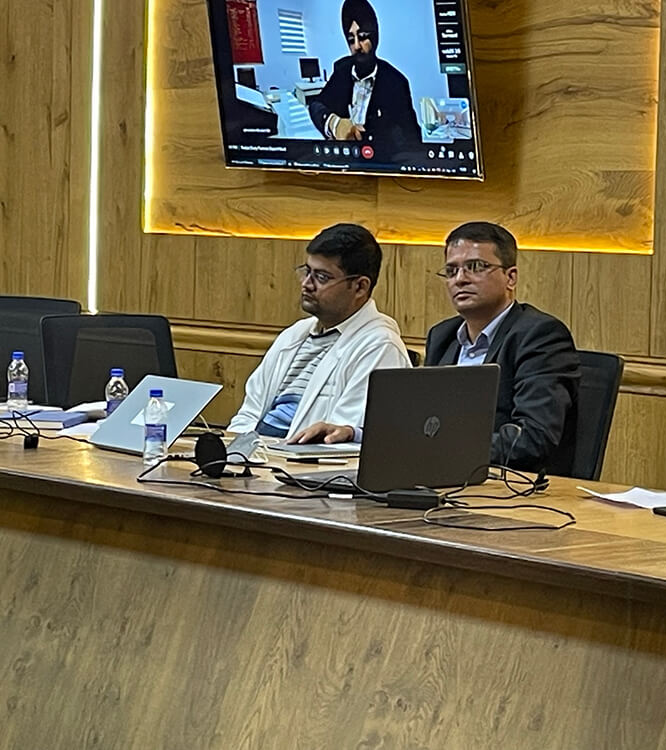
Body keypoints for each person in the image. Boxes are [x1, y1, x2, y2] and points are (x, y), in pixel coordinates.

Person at [293, 221, 580, 476]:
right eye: (452, 270)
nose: (460, 279)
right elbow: (422, 424)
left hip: (509, 489)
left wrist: (442, 450)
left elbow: (533, 438)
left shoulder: (539, 335)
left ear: (511, 277)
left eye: (476, 267)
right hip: (441, 478)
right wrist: (354, 434)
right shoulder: (443, 336)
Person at [227, 223, 411, 441]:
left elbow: (340, 438)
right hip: (256, 453)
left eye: (322, 277)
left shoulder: (380, 346)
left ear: (360, 287)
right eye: (307, 272)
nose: (307, 284)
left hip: (298, 459)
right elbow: (249, 414)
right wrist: (234, 451)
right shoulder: (294, 334)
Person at [309, 0, 422, 159]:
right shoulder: (342, 70)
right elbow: (316, 105)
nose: (356, 46)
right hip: (343, 159)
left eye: (362, 37)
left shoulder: (396, 82)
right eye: (351, 39)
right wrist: (335, 124)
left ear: (374, 38)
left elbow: (412, 141)